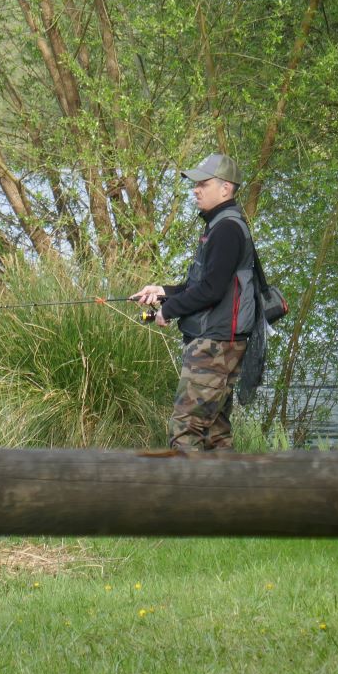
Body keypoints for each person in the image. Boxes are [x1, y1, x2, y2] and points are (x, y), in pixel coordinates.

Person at [132, 152, 259, 451]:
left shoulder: (227, 229)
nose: (195, 190)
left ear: (225, 188)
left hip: (216, 343)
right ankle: (229, 495)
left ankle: (186, 495)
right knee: (215, 434)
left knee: (185, 432)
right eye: (195, 184)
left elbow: (212, 290)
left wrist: (169, 310)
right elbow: (199, 285)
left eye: (203, 184)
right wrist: (162, 291)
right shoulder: (219, 225)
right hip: (221, 340)